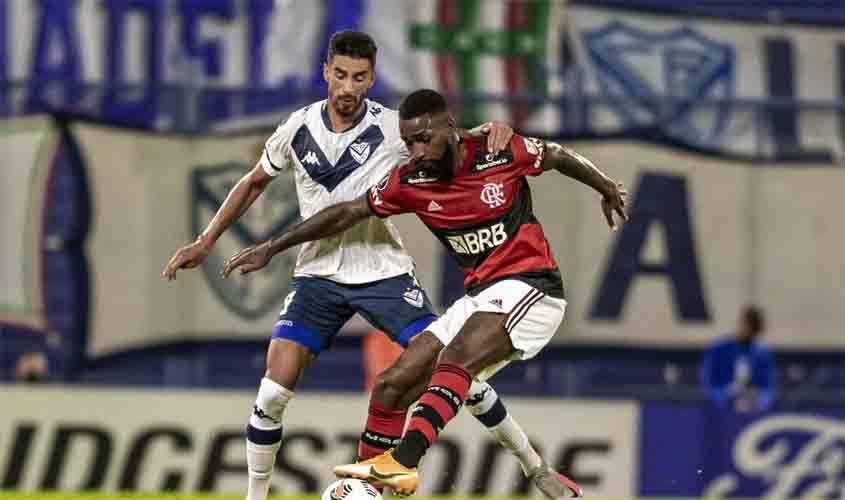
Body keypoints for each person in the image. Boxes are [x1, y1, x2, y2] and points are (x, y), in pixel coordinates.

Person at [163, 32, 576, 500]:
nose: (348, 86)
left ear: (371, 79)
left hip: (383, 271)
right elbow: (254, 181)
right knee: (272, 393)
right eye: (340, 74)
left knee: (456, 367)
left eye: (359, 77)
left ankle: (534, 466)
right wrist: (206, 239)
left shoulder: (394, 128)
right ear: (325, 72)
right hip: (317, 274)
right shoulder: (297, 129)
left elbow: (451, 142)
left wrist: (492, 131)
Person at [221, 88, 627, 496]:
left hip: (533, 288)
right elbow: (347, 211)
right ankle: (367, 487)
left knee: (456, 361)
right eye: (408, 142)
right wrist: (272, 247)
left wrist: (606, 186)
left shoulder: (498, 151)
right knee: (393, 383)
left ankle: (401, 464)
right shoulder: (410, 181)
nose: (416, 150)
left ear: (449, 126)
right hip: (480, 297)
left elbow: (555, 155)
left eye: (423, 138)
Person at [701, 305, 776, 413]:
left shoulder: (763, 354)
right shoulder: (719, 349)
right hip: (721, 411)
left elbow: (768, 387)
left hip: (752, 410)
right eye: (746, 326)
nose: (748, 332)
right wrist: (727, 398)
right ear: (740, 323)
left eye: (753, 330)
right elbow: (709, 382)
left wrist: (758, 403)